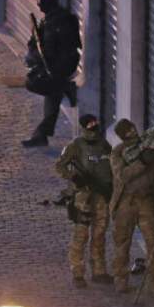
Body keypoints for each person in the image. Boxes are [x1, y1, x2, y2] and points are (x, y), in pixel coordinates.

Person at [109, 118, 154, 294]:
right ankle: (121, 280)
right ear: (122, 136)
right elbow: (123, 176)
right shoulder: (118, 152)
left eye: (133, 128)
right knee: (122, 243)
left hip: (147, 201)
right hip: (126, 202)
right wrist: (142, 162)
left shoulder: (147, 143)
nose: (133, 132)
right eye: (128, 131)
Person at [54, 114, 114, 288]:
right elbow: (59, 166)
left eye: (95, 123)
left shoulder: (104, 145)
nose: (93, 126)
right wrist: (74, 177)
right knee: (81, 235)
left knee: (100, 233)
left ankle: (99, 271)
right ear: (83, 127)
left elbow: (112, 166)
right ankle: (78, 273)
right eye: (90, 124)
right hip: (83, 197)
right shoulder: (76, 146)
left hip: (102, 196)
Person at [22, 0, 82, 148]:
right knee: (52, 92)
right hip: (53, 66)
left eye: (41, 3)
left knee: (42, 85)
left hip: (63, 66)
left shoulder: (63, 21)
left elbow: (67, 47)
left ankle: (41, 135)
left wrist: (56, 67)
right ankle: (41, 135)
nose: (39, 6)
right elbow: (37, 44)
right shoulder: (47, 21)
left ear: (49, 3)